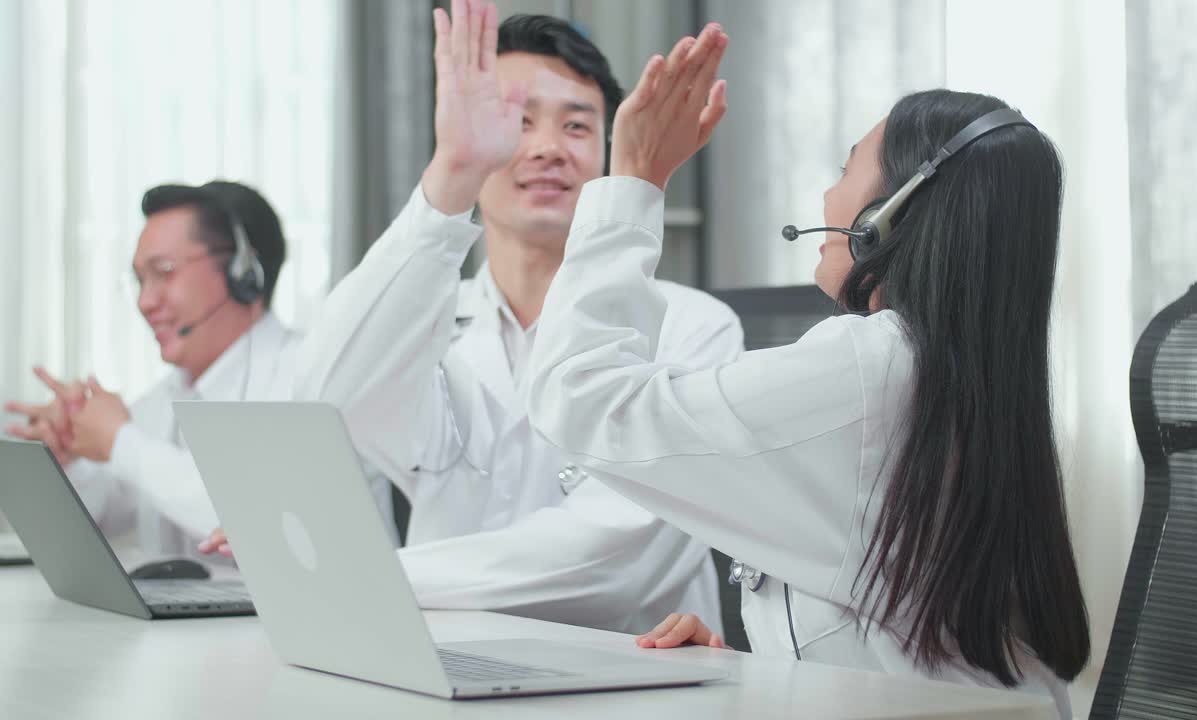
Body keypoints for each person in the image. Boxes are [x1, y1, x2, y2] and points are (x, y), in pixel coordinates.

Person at [526, 23, 1090, 718]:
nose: (827, 197)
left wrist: (632, 183)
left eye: (845, 168)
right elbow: (892, 626)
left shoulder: (868, 369)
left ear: (886, 217)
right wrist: (757, 667)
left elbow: (577, 400)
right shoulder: (949, 376)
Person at [202, 3, 742, 635]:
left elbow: (615, 560)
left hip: (627, 675)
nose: (545, 148)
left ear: (608, 152)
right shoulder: (427, 323)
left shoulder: (695, 328)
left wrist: (362, 573)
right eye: (515, 122)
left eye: (575, 125)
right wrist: (452, 173)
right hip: (442, 670)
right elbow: (326, 398)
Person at [4, 182, 393, 562]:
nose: (145, 301)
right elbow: (100, 517)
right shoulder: (165, 398)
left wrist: (119, 440)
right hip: (189, 628)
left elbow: (263, 523)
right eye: (140, 280)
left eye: (164, 272)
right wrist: (69, 458)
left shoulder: (315, 375)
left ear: (243, 272)